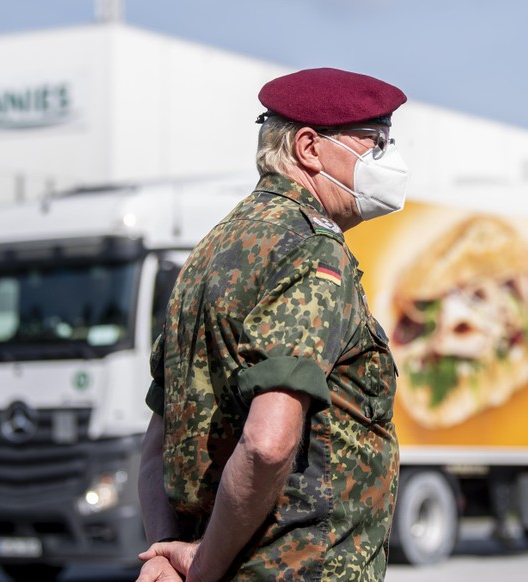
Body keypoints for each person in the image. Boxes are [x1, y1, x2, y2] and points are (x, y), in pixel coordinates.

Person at [136, 67, 410, 582]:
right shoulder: (311, 250)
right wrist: (201, 568)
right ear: (309, 147)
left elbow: (158, 443)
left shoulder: (212, 249)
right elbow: (267, 443)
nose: (388, 161)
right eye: (375, 143)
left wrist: (165, 553)